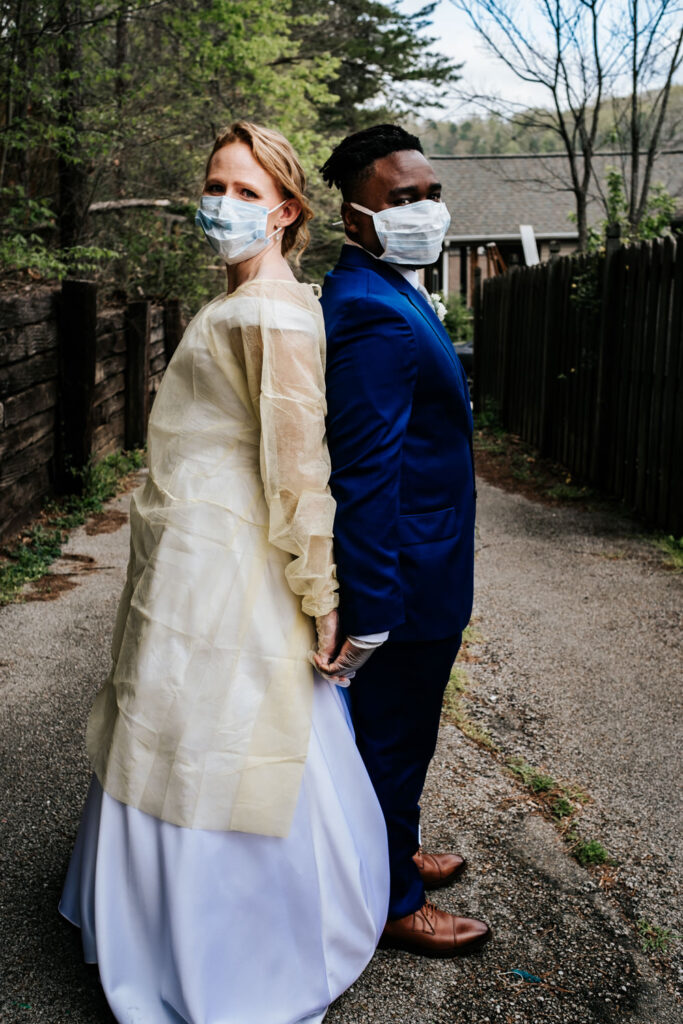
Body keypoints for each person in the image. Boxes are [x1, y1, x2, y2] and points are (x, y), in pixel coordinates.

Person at [59, 121, 389, 1024]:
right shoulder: (240, 297)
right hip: (188, 552)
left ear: (286, 211)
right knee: (165, 715)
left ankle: (229, 944)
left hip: (232, 562)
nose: (225, 203)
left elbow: (297, 466)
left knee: (221, 730)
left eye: (247, 192)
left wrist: (320, 591)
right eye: (216, 185)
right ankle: (151, 918)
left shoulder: (273, 310)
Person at [315, 124, 491, 958]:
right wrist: (373, 605)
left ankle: (399, 846)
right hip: (406, 579)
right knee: (385, 739)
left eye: (431, 194)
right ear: (354, 218)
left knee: (410, 731)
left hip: (432, 558)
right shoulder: (367, 312)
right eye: (401, 199)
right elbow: (363, 474)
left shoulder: (394, 287)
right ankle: (391, 899)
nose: (425, 210)